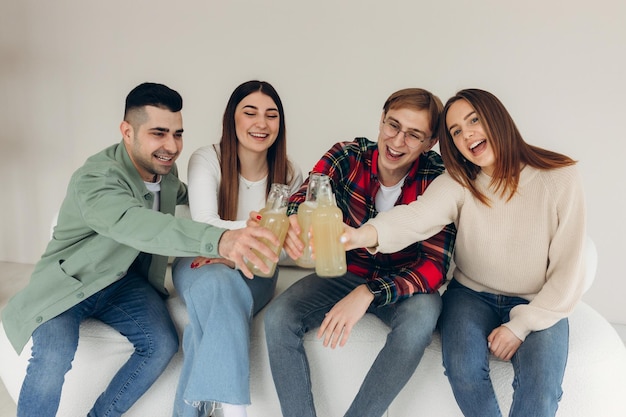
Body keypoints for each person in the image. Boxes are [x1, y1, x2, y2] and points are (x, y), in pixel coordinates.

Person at [1, 82, 281, 417]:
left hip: (125, 285)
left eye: (177, 134)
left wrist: (239, 207)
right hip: (73, 283)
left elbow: (184, 197)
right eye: (159, 133)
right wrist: (219, 238)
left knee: (162, 343)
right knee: (55, 352)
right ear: (127, 131)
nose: (171, 145)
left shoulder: (165, 171)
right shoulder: (98, 178)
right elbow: (140, 225)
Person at [342, 88, 586, 417]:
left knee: (541, 391)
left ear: (497, 118)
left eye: (474, 120)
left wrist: (520, 326)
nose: (466, 133)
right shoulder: (458, 181)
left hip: (538, 299)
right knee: (464, 371)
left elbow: (569, 269)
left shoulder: (559, 176)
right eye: (455, 131)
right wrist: (361, 235)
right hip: (471, 296)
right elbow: (416, 218)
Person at [264, 88, 456, 417]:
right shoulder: (348, 155)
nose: (397, 141)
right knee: (278, 317)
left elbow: (434, 266)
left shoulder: (438, 179)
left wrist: (368, 292)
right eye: (393, 126)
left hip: (403, 285)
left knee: (421, 320)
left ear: (430, 142)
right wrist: (294, 220)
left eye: (414, 135)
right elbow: (306, 194)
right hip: (343, 271)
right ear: (381, 120)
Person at [171, 80, 302, 417]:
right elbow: (203, 224)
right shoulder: (207, 158)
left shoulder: (289, 174)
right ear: (232, 118)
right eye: (250, 112)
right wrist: (254, 235)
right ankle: (235, 411)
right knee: (217, 282)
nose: (261, 123)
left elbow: (285, 249)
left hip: (255, 272)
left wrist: (238, 248)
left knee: (212, 309)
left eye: (271, 115)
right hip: (200, 262)